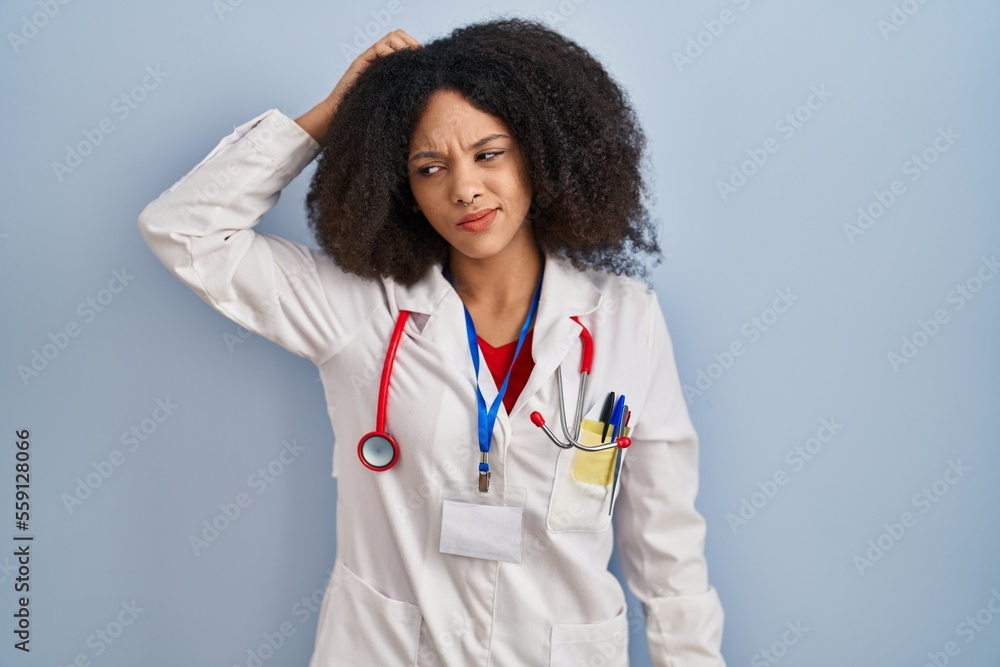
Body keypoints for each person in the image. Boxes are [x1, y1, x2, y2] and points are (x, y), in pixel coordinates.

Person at [137, 17, 726, 666]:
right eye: (429, 167)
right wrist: (334, 117)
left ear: (537, 151)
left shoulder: (624, 319)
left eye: (489, 153)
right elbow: (182, 231)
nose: (465, 188)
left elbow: (670, 559)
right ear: (408, 193)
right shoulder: (357, 309)